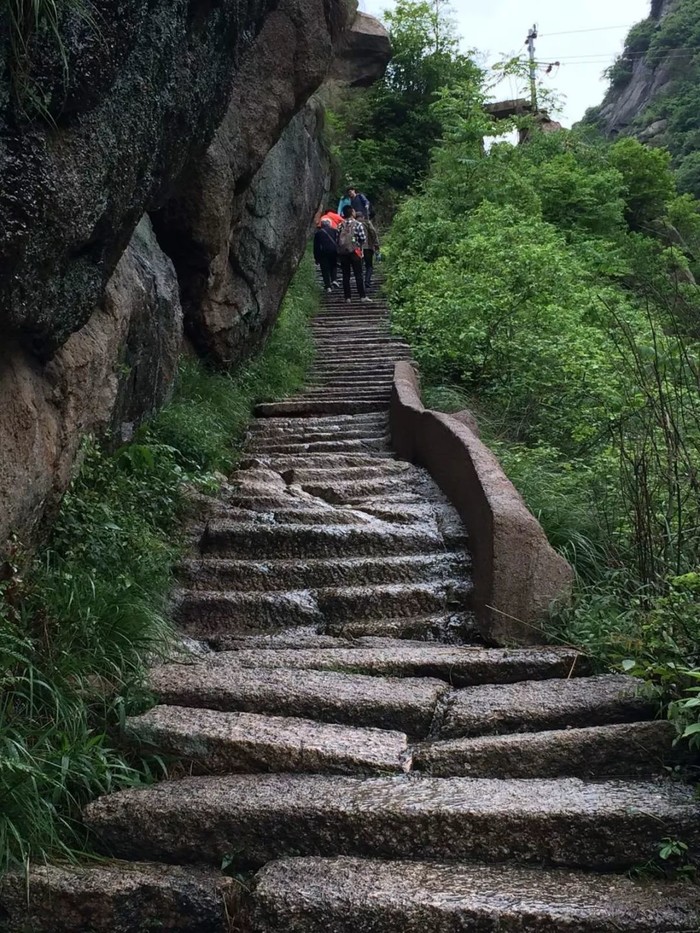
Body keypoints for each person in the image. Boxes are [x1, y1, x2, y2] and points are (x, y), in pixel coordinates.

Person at [337, 205, 372, 303]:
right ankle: (362, 296)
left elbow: (337, 239)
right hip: (355, 252)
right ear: (352, 212)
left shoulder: (340, 225)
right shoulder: (357, 224)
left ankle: (347, 297)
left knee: (345, 275)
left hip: (344, 253)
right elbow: (362, 238)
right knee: (358, 274)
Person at [356, 212, 380, 290]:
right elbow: (373, 233)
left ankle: (359, 283)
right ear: (363, 216)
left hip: (357, 248)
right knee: (369, 266)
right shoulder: (367, 223)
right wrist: (376, 245)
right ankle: (367, 281)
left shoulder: (353, 224)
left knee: (359, 266)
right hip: (368, 247)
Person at [313, 219, 339, 292]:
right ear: (329, 224)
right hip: (333, 251)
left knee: (325, 269)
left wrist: (316, 257)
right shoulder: (335, 231)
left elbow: (316, 246)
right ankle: (334, 279)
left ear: (322, 225)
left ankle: (328, 286)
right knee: (333, 266)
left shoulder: (318, 233)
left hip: (323, 253)